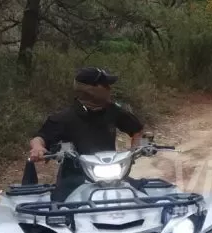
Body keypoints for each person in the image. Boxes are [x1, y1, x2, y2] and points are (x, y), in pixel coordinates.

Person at [29, 67, 144, 200]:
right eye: (105, 85)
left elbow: (137, 129)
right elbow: (40, 138)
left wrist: (134, 151)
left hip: (112, 175)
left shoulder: (113, 111)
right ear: (90, 89)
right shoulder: (65, 117)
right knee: (59, 206)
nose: (109, 89)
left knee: (143, 197)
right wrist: (37, 148)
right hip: (74, 178)